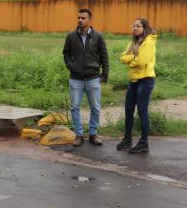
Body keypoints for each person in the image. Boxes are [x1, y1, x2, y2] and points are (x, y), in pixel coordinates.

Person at [62, 8, 109, 147]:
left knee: (95, 107)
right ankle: (79, 135)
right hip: (75, 78)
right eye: (78, 18)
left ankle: (93, 134)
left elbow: (104, 56)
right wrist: (71, 66)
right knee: (75, 107)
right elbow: (65, 54)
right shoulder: (71, 36)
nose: (80, 20)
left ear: (89, 20)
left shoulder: (98, 36)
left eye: (83, 18)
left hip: (93, 78)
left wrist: (104, 74)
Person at [116, 18, 157, 154]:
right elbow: (122, 57)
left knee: (142, 112)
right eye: (133, 25)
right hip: (133, 80)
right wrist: (132, 58)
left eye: (138, 26)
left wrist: (131, 59)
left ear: (144, 28)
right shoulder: (133, 42)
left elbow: (142, 62)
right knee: (128, 110)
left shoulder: (149, 42)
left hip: (145, 80)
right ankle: (127, 139)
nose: (135, 28)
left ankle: (144, 143)